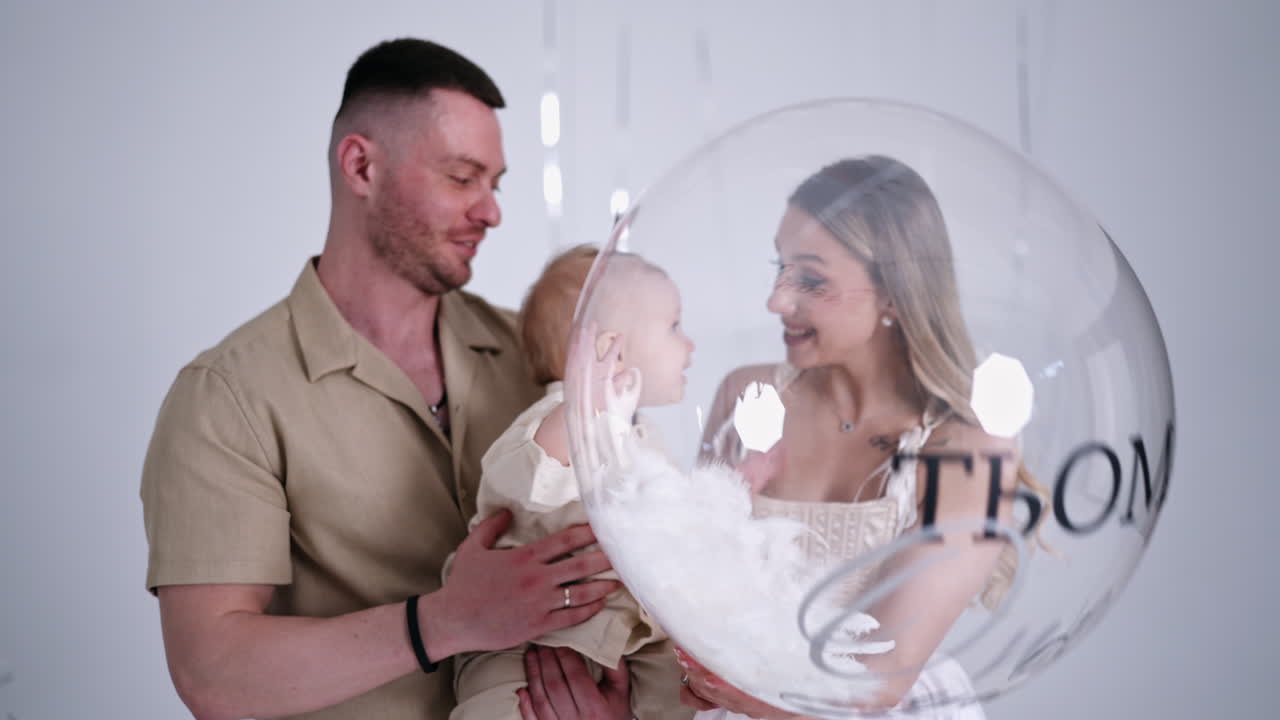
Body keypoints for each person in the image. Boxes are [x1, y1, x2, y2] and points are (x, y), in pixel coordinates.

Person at [140, 39, 633, 720]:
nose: (491, 211)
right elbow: (213, 675)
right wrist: (442, 622)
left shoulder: (539, 355)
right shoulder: (228, 396)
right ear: (361, 166)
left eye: (496, 183)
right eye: (463, 178)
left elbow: (630, 548)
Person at [682, 155, 1038, 719]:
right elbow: (687, 590)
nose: (777, 300)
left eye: (811, 279)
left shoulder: (971, 450)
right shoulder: (747, 397)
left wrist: (712, 685)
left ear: (895, 293)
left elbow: (874, 685)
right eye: (780, 267)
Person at [446, 245, 695, 720]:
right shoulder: (556, 421)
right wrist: (583, 403)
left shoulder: (643, 437)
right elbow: (526, 478)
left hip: (623, 651)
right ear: (607, 347)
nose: (690, 344)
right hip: (527, 661)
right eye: (674, 326)